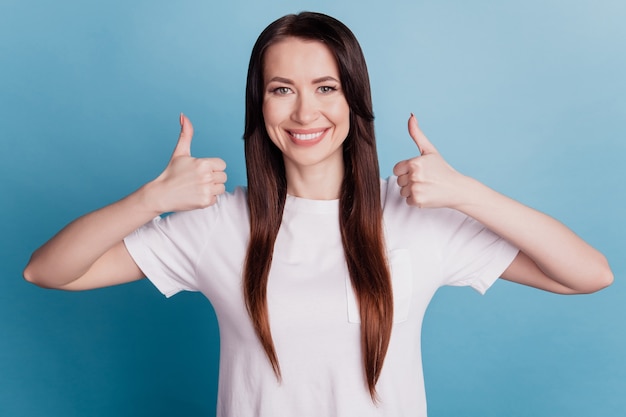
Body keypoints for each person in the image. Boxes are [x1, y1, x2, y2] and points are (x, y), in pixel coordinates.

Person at [24, 11, 613, 417]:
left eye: (325, 87)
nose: (305, 111)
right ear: (260, 105)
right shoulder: (220, 225)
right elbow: (48, 270)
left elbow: (589, 274)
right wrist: (149, 201)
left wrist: (469, 194)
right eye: (281, 89)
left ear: (354, 99)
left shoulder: (417, 217)